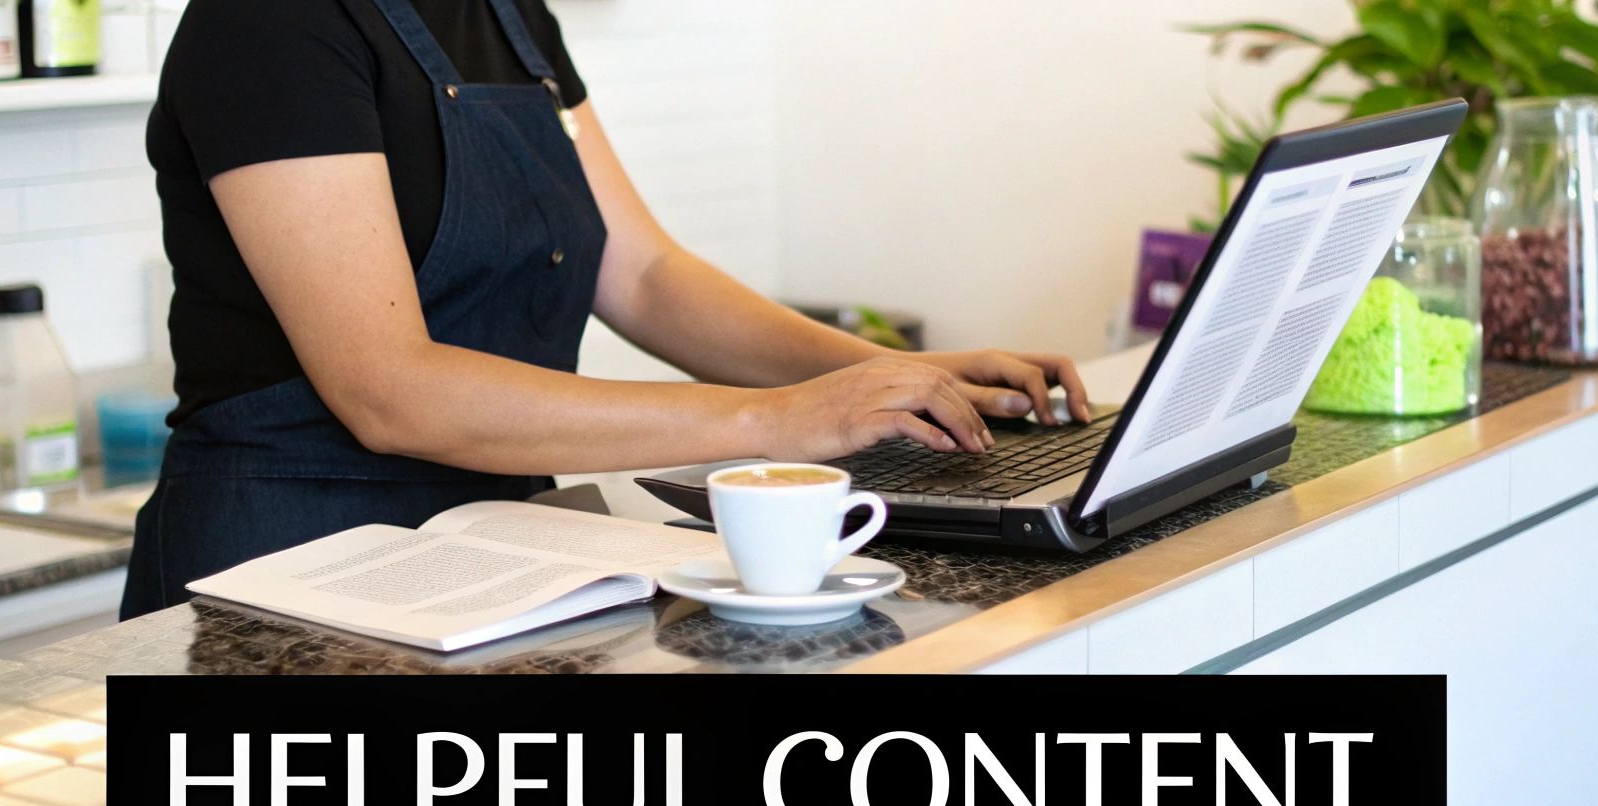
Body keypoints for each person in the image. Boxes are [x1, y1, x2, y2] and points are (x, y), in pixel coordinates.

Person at [122, 0, 1090, 619]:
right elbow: (389, 390)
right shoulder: (267, 24)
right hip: (284, 554)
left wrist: (894, 382)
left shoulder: (506, 15)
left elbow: (643, 275)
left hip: (493, 539)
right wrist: (774, 419)